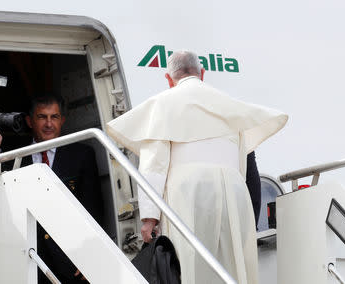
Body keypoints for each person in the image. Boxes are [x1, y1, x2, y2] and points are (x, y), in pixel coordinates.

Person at [106, 51, 288, 284]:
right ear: (202, 74)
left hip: (187, 191)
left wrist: (149, 218)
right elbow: (241, 160)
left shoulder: (163, 104)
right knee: (231, 265)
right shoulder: (227, 103)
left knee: (191, 264)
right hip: (233, 191)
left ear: (169, 79)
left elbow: (155, 165)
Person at [23, 95, 104, 284]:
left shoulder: (82, 155)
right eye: (42, 117)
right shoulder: (13, 157)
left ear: (63, 120)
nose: (49, 124)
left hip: (71, 261)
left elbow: (93, 209)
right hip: (28, 260)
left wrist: (93, 254)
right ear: (29, 121)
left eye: (55, 117)